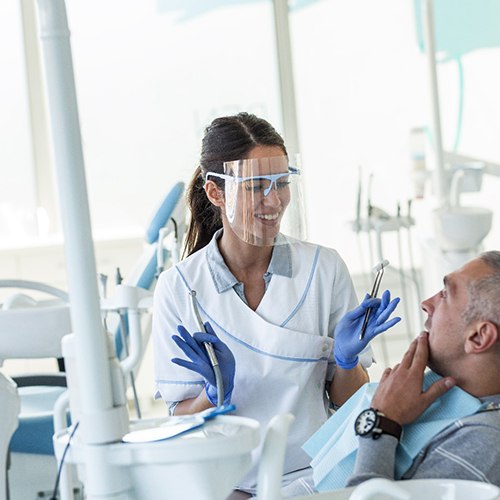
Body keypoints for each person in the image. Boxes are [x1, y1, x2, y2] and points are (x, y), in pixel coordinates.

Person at [152, 112, 400, 496]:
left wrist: (348, 362)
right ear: (216, 192)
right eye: (255, 186)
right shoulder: (179, 288)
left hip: (315, 477)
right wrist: (212, 396)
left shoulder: (323, 268)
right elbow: (178, 422)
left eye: (281, 183)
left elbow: (348, 400)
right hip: (226, 482)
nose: (274, 200)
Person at [307, 251, 500, 491]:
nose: (426, 304)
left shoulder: (483, 444)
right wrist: (346, 361)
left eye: (445, 295)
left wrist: (383, 422)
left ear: (479, 337)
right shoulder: (441, 393)